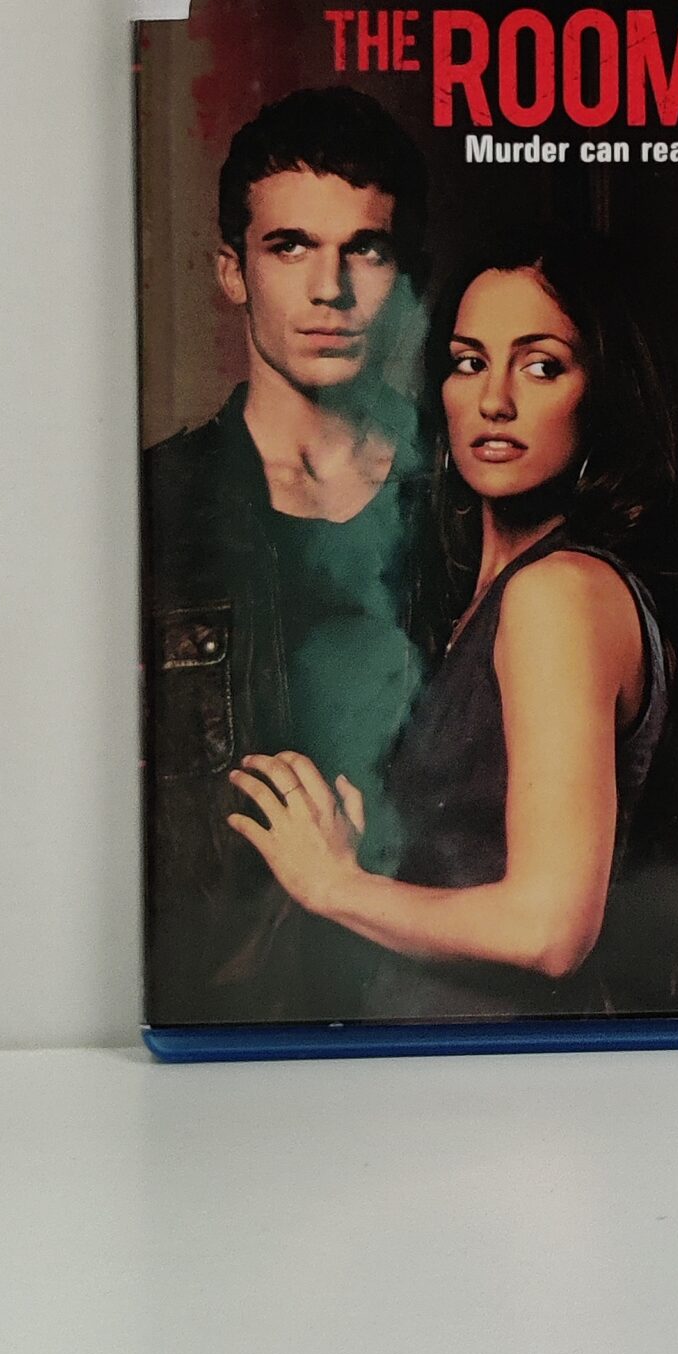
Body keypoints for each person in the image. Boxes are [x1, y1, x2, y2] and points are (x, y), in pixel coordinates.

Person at [224, 229, 674, 1021]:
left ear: (602, 392)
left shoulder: (558, 595)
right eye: (469, 363)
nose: (494, 400)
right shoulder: (496, 594)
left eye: (541, 366)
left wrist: (335, 884)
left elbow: (548, 930)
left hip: (509, 1070)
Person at [142, 86, 428, 1024]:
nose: (330, 291)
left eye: (366, 250)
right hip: (233, 1005)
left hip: (437, 989)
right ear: (233, 271)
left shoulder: (466, 492)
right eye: (291, 247)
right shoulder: (157, 509)